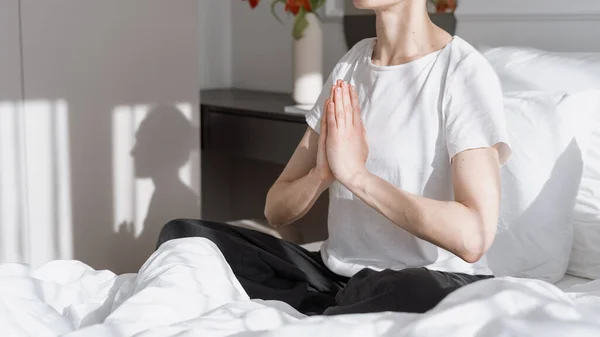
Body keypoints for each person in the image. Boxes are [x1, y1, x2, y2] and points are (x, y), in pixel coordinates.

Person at [157, 0, 511, 316]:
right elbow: (275, 209)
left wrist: (356, 176)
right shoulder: (351, 65)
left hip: (429, 281)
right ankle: (334, 311)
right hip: (336, 277)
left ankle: (331, 312)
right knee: (185, 237)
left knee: (400, 289)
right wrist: (322, 174)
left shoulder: (461, 71)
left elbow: (473, 237)